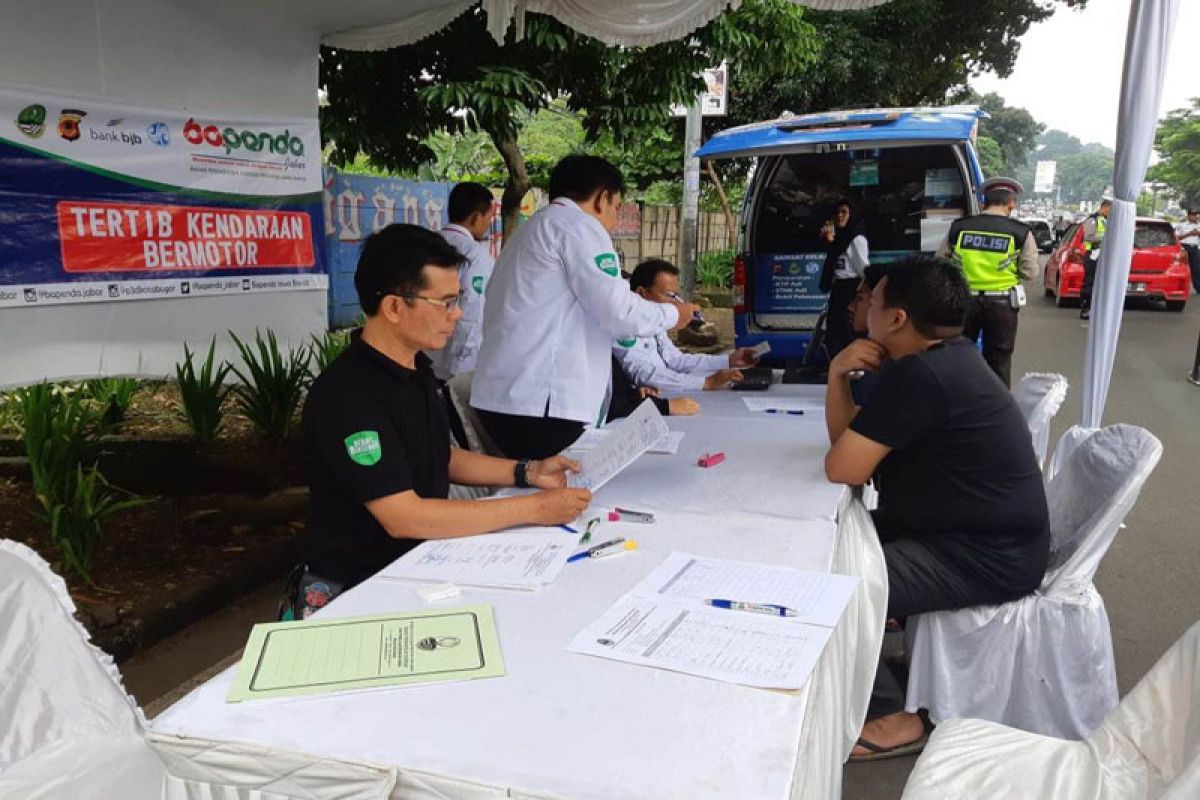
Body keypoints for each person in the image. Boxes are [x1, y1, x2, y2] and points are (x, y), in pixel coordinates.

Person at [286, 224, 592, 620]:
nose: (458, 313)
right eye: (445, 302)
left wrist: (528, 472)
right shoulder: (350, 397)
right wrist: (534, 509)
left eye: (457, 299)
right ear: (395, 307)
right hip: (355, 590)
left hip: (416, 565)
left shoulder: (415, 370)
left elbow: (437, 455)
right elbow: (404, 516)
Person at [823, 255, 1050, 761]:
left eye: (873, 300)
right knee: (825, 536)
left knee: (833, 575)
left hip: (981, 554)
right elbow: (850, 445)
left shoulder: (924, 374)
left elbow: (842, 467)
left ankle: (890, 715)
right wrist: (839, 375)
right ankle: (883, 677)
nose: (865, 308)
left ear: (897, 319)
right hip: (961, 534)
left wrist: (838, 373)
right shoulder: (946, 358)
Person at [470, 155, 699, 459]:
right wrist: (674, 314)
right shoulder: (578, 226)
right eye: (617, 207)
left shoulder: (531, 229)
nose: (615, 220)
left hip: (508, 399)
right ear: (602, 198)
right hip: (542, 406)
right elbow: (619, 311)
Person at [937, 177, 1038, 387]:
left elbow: (941, 260)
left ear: (984, 201)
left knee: (958, 356)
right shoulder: (1020, 232)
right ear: (1011, 203)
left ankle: (957, 402)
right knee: (998, 360)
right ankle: (996, 409)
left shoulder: (959, 227)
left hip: (963, 302)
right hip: (1001, 306)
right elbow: (1030, 272)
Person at [613, 259, 757, 393]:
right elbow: (642, 374)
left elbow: (676, 360)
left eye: (676, 295)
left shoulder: (655, 323)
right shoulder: (623, 325)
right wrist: (705, 383)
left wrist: (729, 360)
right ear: (641, 293)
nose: (676, 303)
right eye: (669, 295)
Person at [427, 182, 496, 380]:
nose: (488, 226)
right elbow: (471, 313)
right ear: (475, 217)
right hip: (454, 365)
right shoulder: (475, 255)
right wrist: (461, 365)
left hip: (421, 356)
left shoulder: (426, 243)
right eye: (488, 219)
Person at [819, 199, 871, 358]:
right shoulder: (841, 238)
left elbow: (864, 268)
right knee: (835, 332)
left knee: (848, 331)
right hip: (839, 289)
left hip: (851, 289)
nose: (840, 216)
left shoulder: (856, 239)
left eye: (844, 212)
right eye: (837, 213)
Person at [1079, 198, 1112, 320]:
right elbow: (1089, 236)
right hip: (1093, 254)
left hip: (1105, 256)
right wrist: (1107, 237)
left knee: (1104, 284)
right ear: (1105, 207)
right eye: (1110, 209)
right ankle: (1086, 308)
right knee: (1090, 282)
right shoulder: (1092, 219)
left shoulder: (1108, 221)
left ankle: (1100, 309)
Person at [1175, 208, 1200, 294]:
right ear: (1188, 215)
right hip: (1184, 248)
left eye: (1195, 215)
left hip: (1194, 248)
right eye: (1192, 215)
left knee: (1196, 268)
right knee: (1182, 267)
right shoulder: (1182, 225)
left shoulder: (1198, 225)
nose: (1194, 217)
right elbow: (1177, 237)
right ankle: (1178, 288)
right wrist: (1189, 233)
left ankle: (1198, 288)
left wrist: (1198, 234)